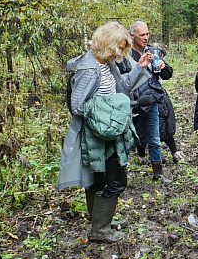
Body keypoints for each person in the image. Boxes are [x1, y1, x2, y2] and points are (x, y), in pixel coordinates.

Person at [57, 21, 152, 242]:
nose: (119, 53)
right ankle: (100, 229)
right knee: (117, 180)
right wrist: (113, 106)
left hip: (109, 131)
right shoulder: (89, 69)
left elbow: (123, 87)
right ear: (106, 44)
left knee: (98, 179)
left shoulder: (106, 64)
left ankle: (101, 221)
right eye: (117, 48)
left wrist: (141, 67)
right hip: (98, 134)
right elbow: (78, 106)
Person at [118, 21, 172, 183]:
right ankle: (121, 176)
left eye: (147, 34)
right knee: (127, 140)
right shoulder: (125, 56)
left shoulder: (152, 51)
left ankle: (158, 172)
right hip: (132, 103)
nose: (146, 38)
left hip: (151, 101)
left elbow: (167, 75)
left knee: (154, 139)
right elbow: (123, 81)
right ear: (132, 36)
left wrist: (163, 67)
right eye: (142, 35)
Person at [148, 43, 185, 164]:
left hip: (157, 94)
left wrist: (163, 67)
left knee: (165, 121)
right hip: (144, 94)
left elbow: (167, 74)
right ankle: (142, 155)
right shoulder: (145, 55)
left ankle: (174, 151)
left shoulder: (158, 60)